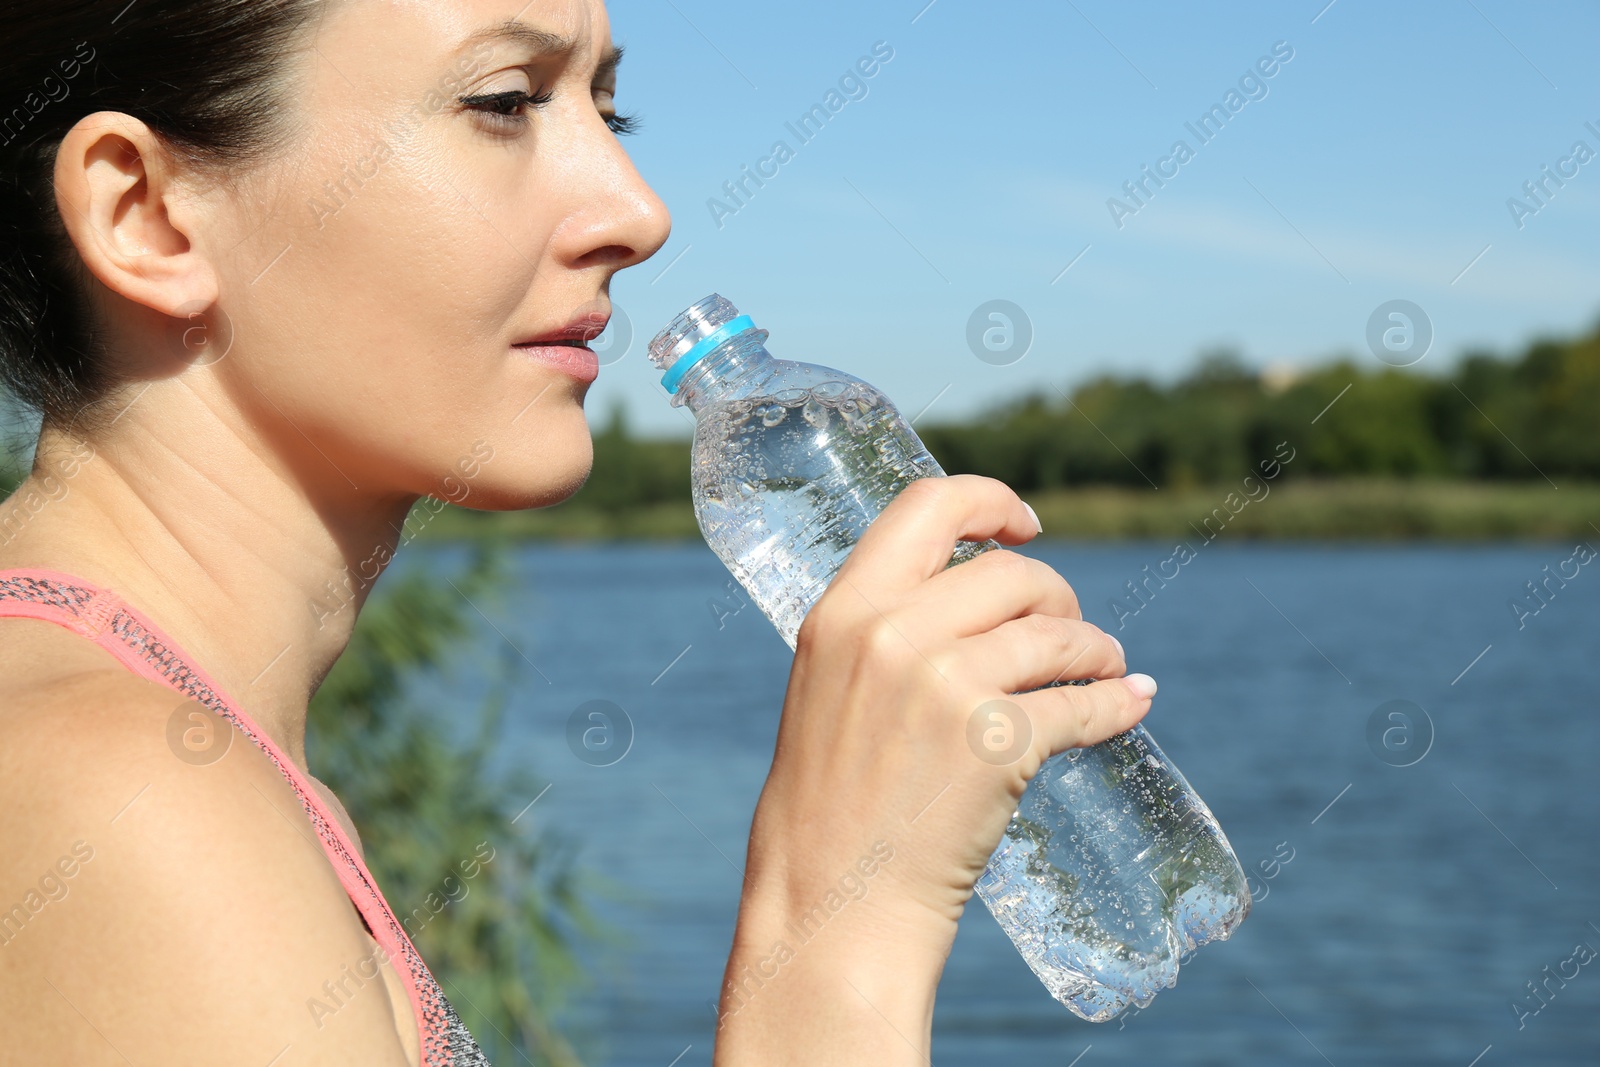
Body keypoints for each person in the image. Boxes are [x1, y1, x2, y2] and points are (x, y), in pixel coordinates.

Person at [0, 2, 1156, 1063]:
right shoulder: (121, 803)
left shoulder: (172, 745)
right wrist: (836, 922)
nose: (637, 213)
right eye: (504, 102)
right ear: (144, 215)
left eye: (609, 108)